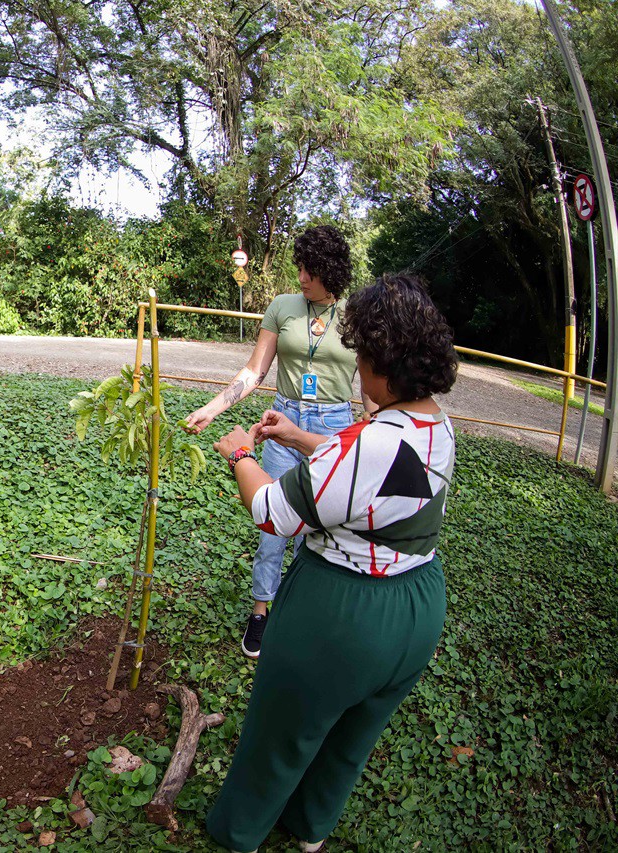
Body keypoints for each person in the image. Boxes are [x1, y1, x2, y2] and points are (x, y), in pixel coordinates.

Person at [204, 273, 458, 852]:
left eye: (364, 354)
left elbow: (274, 511)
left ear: (385, 366)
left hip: (344, 614)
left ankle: (239, 832)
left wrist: (242, 453)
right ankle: (310, 827)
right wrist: (300, 437)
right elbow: (377, 474)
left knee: (281, 733)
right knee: (351, 738)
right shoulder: (435, 424)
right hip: (417, 608)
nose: (359, 366)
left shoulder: (364, 442)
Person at [184, 225, 370, 659]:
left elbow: (368, 379)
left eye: (310, 269)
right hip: (281, 422)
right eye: (300, 267)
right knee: (273, 523)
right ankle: (261, 610)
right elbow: (255, 370)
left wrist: (370, 420)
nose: (302, 277)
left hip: (334, 424)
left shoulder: (356, 315)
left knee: (320, 528)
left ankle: (304, 610)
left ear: (332, 270)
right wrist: (214, 409)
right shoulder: (283, 306)